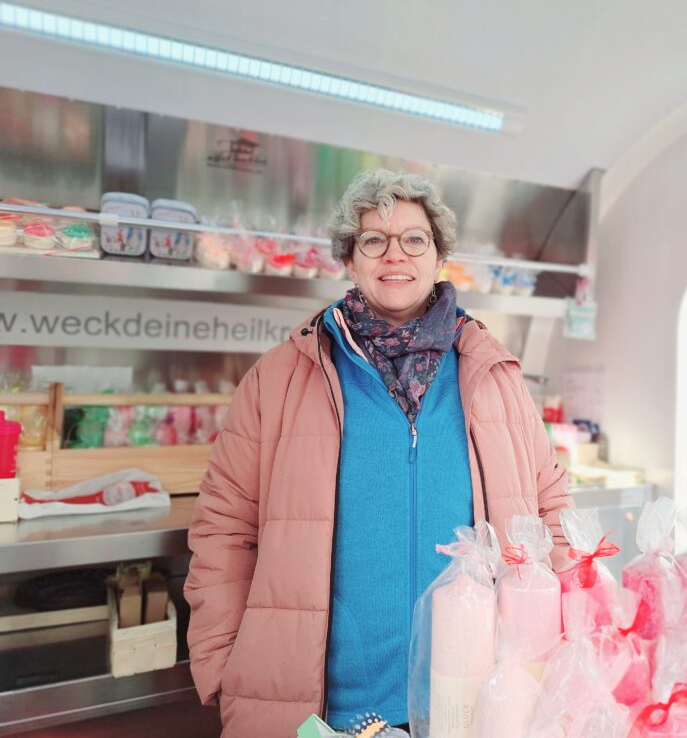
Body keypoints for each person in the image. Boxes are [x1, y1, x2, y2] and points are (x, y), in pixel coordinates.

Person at [184, 169, 573, 738]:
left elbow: (551, 505)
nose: (396, 255)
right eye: (374, 240)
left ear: (439, 256)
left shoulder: (495, 376)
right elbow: (223, 529)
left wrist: (560, 648)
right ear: (351, 258)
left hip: (473, 703)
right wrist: (224, 661)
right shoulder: (280, 378)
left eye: (415, 239)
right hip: (322, 709)